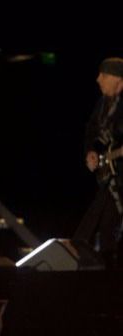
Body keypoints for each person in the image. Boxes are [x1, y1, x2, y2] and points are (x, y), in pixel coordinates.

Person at [74, 57, 123, 269]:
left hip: (119, 182)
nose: (98, 79)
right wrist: (91, 151)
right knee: (102, 233)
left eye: (103, 75)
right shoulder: (103, 102)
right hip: (108, 179)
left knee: (101, 231)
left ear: (118, 80)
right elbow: (91, 129)